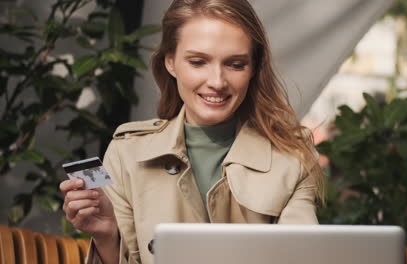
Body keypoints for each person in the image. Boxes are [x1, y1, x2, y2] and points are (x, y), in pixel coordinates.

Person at [60, 0, 325, 263]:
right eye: (198, 62)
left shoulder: (291, 157)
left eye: (235, 64)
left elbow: (302, 257)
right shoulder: (127, 153)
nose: (217, 82)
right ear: (171, 62)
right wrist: (106, 236)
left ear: (254, 68)